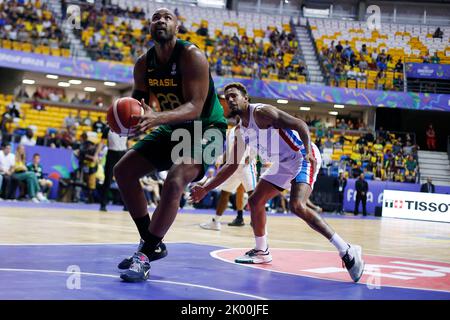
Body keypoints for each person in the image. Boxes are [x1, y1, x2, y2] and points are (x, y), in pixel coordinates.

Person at [190, 82, 364, 283]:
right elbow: (231, 166)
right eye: (227, 97)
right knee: (255, 201)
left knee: (297, 205)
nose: (230, 99)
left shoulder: (262, 112)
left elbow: (300, 124)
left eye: (234, 95)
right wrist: (205, 188)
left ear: (245, 99)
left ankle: (347, 250)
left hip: (301, 156)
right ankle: (262, 251)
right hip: (283, 163)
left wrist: (308, 150)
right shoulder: (239, 131)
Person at [113, 8, 228, 282]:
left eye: (167, 17)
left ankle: (144, 254)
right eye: (156, 17)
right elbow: (138, 106)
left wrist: (156, 118)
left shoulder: (192, 56)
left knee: (176, 179)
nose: (161, 21)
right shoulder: (143, 64)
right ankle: (151, 243)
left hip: (208, 128)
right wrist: (125, 120)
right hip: (171, 126)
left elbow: (196, 107)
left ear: (177, 27)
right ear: (150, 27)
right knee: (123, 171)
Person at [199, 123, 257, 231]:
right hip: (232, 166)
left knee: (253, 195)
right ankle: (215, 222)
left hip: (246, 166)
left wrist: (252, 155)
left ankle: (257, 222)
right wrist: (221, 159)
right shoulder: (230, 131)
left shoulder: (250, 128)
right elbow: (229, 150)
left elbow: (256, 144)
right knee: (224, 193)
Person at [96, 126, 128, 212]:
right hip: (111, 154)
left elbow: (129, 143)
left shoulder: (126, 127)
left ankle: (126, 205)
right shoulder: (107, 129)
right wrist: (96, 154)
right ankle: (103, 205)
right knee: (107, 180)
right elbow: (102, 143)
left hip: (123, 154)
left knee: (125, 181)